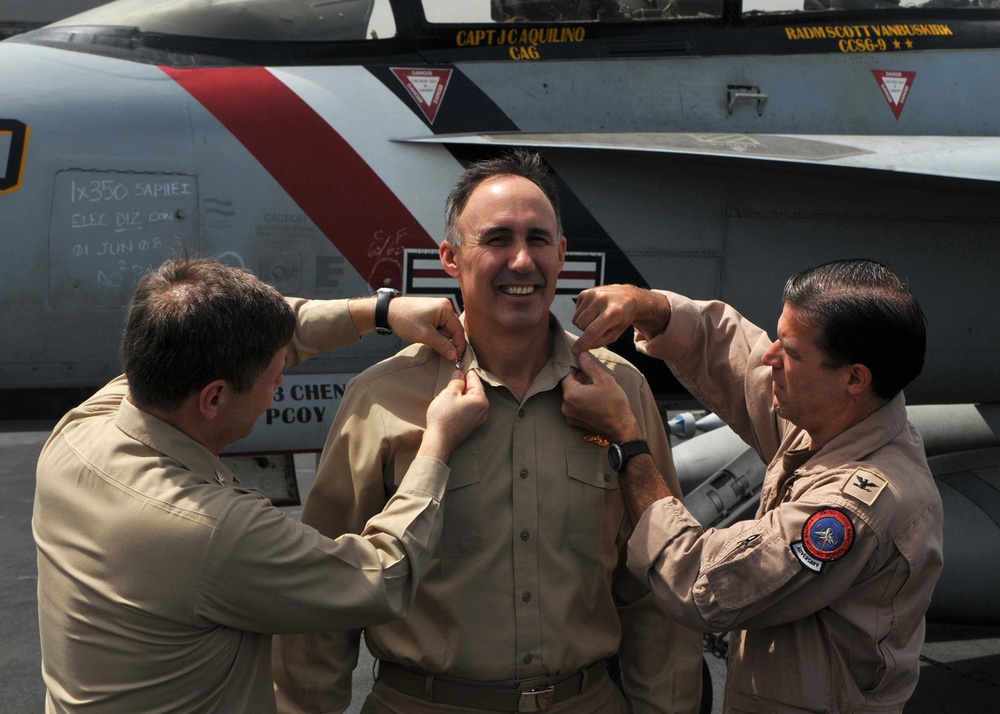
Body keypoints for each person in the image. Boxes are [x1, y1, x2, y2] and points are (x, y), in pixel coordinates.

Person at [272, 150, 703, 713]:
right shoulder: (382, 398)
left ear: (563, 255)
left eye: (539, 240)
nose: (522, 262)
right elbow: (323, 603)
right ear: (451, 258)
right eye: (497, 239)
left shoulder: (620, 393)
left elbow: (654, 586)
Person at [33, 257, 489, 713]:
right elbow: (384, 577)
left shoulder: (83, 427)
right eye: (274, 379)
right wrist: (436, 447)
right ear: (213, 398)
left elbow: (234, 332)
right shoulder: (215, 530)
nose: (280, 383)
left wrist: (378, 313)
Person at [561, 259, 944, 713]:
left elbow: (698, 584)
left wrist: (626, 439)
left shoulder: (852, 508)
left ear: (854, 378)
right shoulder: (839, 417)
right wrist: (649, 306)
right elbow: (735, 356)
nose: (770, 356)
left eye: (791, 352)